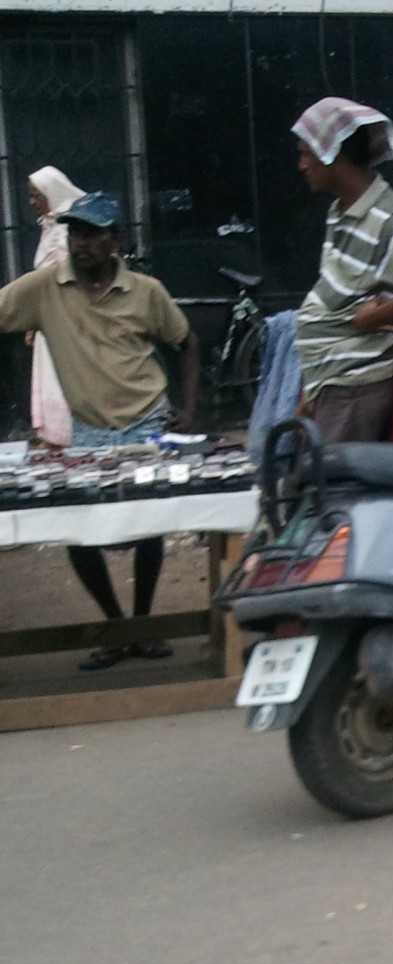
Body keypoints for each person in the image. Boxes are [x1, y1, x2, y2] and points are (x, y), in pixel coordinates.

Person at [0, 191, 200, 671]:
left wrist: (190, 410)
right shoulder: (45, 287)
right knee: (78, 530)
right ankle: (116, 625)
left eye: (91, 234)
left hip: (147, 421)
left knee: (150, 527)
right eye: (75, 233)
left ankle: (142, 625)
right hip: (89, 431)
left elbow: (187, 341)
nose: (80, 243)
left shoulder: (146, 291)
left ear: (116, 241)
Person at [290, 97, 393, 443]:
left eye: (305, 154)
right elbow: (335, 297)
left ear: (332, 155)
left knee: (336, 478)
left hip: (353, 391)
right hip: (331, 384)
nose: (301, 165)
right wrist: (309, 394)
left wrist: (373, 318)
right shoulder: (340, 212)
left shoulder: (390, 219)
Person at [26, 166, 85, 447]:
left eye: (36, 195)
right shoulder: (51, 226)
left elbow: (65, 277)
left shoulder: (66, 232)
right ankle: (55, 436)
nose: (32, 202)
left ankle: (68, 435)